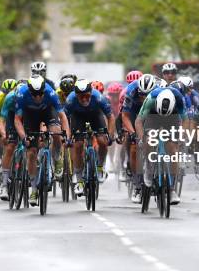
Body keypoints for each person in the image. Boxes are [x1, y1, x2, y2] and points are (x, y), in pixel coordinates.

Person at [14, 75, 70, 206]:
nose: (38, 97)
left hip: (47, 112)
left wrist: (65, 135)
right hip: (30, 116)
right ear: (29, 91)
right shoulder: (22, 94)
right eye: (35, 94)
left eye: (40, 94)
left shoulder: (50, 92)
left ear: (44, 91)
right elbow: (17, 120)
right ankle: (33, 190)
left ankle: (57, 160)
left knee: (56, 133)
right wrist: (24, 137)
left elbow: (63, 116)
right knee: (31, 152)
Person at [136, 86, 187, 205]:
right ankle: (148, 166)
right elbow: (138, 121)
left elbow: (185, 120)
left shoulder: (178, 98)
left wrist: (182, 135)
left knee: (173, 151)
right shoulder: (151, 99)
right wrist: (142, 138)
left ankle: (171, 188)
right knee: (148, 141)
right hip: (153, 117)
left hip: (172, 117)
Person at [65, 79, 115, 195]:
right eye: (81, 97)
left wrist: (110, 136)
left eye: (87, 96)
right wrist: (68, 136)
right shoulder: (70, 99)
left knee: (103, 141)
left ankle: (100, 167)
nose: (84, 99)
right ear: (76, 95)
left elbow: (110, 117)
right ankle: (79, 180)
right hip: (78, 117)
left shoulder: (98, 97)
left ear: (91, 93)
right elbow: (64, 119)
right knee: (77, 145)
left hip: (95, 116)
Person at [121, 74, 157, 203]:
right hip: (134, 112)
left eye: (147, 95)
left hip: (153, 111)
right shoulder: (131, 91)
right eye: (142, 95)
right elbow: (124, 116)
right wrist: (132, 133)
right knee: (134, 147)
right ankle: (137, 186)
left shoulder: (160, 91)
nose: (144, 98)